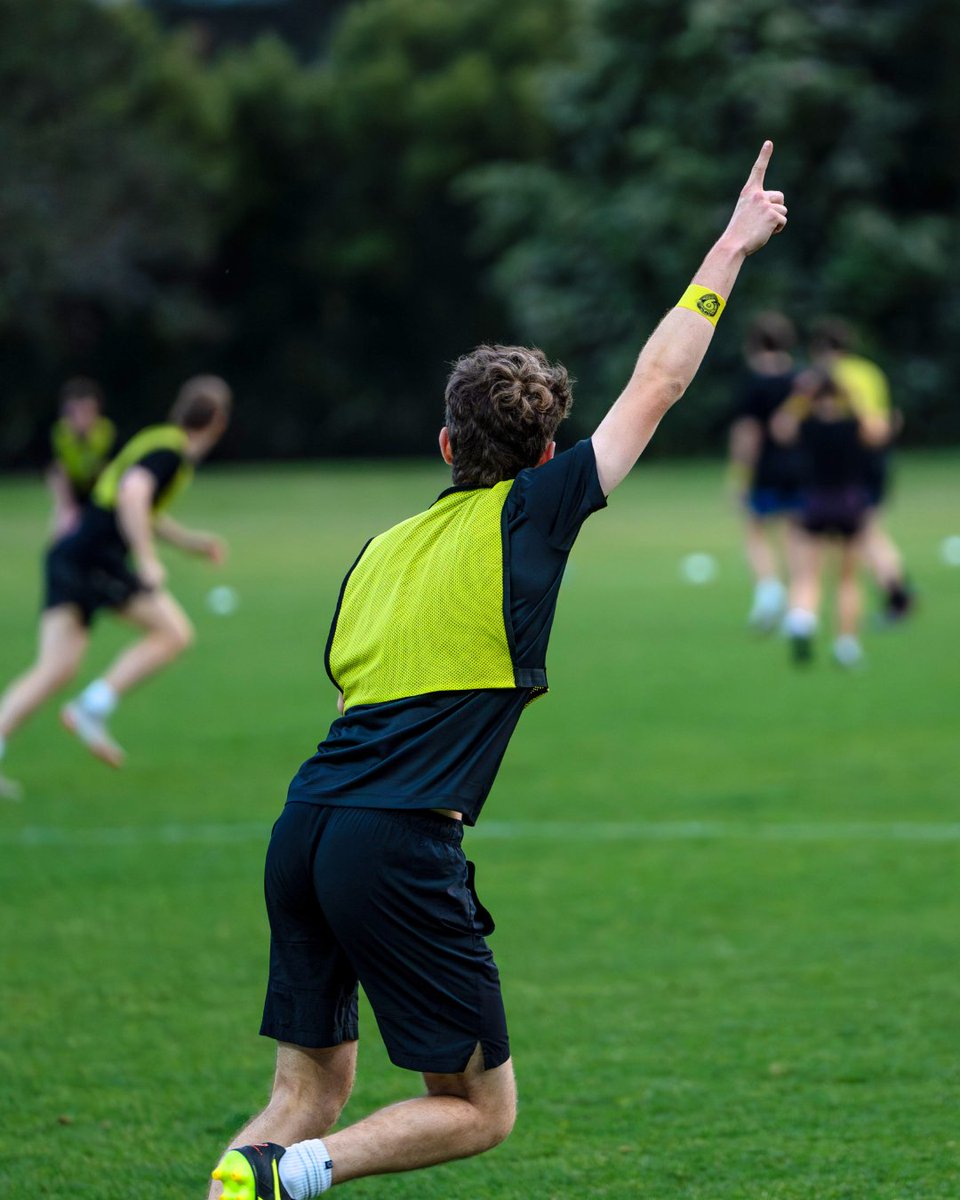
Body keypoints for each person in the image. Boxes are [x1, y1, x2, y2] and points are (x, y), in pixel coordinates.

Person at [207, 141, 786, 1200]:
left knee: (302, 1093)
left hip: (304, 826)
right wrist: (730, 246)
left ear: (442, 446)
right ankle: (298, 1175)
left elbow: (349, 692)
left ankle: (257, 1171)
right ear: (549, 450)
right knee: (476, 1111)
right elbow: (655, 386)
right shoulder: (537, 511)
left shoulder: (376, 553)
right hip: (394, 841)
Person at [0, 375, 231, 799]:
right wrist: (146, 559)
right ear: (217, 421)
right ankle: (91, 707)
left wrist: (191, 544)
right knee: (174, 633)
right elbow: (132, 494)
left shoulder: (158, 442)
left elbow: (143, 506)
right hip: (94, 558)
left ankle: (82, 710)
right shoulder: (171, 451)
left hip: (72, 555)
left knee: (55, 668)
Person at [772, 369, 887, 666]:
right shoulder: (853, 425)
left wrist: (799, 398)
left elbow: (779, 428)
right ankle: (846, 644)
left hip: (815, 502)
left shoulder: (808, 426)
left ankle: (802, 619)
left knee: (807, 575)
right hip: (850, 504)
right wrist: (856, 398)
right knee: (848, 579)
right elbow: (878, 433)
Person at [809, 318, 913, 621]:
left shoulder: (834, 377)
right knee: (869, 530)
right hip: (877, 461)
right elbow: (889, 418)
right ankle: (895, 594)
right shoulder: (870, 370)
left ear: (823, 348)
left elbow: (871, 425)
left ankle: (897, 597)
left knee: (865, 533)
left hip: (852, 465)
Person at [727, 312, 803, 631]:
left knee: (756, 529)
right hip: (800, 468)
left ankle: (769, 588)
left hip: (766, 469)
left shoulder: (754, 382)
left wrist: (739, 475)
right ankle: (799, 607)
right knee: (795, 535)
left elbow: (748, 433)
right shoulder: (801, 380)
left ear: (753, 344)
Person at [47, 377, 117, 538]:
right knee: (63, 527)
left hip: (100, 489)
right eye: (76, 412)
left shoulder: (107, 432)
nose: (83, 418)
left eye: (88, 411)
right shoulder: (60, 434)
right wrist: (68, 506)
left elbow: (110, 470)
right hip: (72, 489)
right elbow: (57, 472)